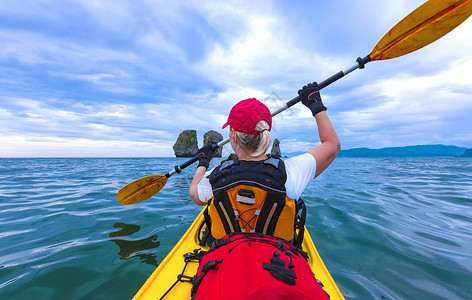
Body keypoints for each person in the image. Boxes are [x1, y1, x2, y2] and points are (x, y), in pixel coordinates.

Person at [189, 82, 340, 243]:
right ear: (265, 133)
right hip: (277, 264)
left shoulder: (214, 177)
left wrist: (203, 162)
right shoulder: (291, 172)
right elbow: (332, 145)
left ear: (233, 135)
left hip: (226, 260)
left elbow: (194, 195)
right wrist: (315, 104)